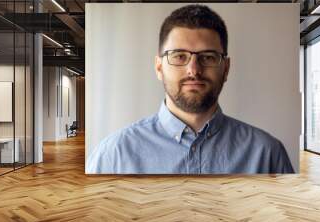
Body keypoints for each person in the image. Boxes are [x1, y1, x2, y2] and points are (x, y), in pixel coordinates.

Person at [87, 4, 294, 174]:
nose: (194, 70)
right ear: (159, 67)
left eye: (208, 57)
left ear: (226, 68)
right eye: (179, 56)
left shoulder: (267, 153)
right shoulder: (113, 155)